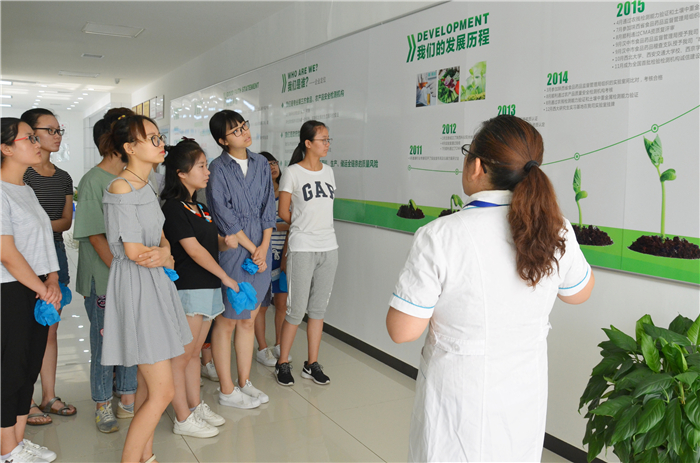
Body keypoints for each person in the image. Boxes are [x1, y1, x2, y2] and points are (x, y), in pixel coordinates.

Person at [386, 115, 595, 462]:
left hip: (458, 404)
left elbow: (401, 330)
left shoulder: (441, 235)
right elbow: (579, 293)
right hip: (523, 398)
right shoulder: (556, 229)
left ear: (477, 166)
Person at [100, 114, 192, 463]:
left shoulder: (147, 183)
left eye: (159, 136)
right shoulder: (121, 187)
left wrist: (165, 252)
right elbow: (136, 251)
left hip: (154, 281)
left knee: (149, 385)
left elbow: (161, 238)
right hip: (137, 285)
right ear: (130, 147)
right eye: (152, 138)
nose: (160, 143)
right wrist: (162, 254)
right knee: (164, 392)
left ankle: (146, 456)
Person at [161, 138, 240, 437]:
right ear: (181, 173)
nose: (207, 172)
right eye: (201, 167)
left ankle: (195, 406)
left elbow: (209, 244)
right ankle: (182, 418)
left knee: (194, 354)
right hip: (189, 289)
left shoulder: (200, 207)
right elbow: (193, 251)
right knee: (182, 357)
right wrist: (226, 277)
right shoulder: (173, 209)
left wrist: (225, 242)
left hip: (207, 288)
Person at [73, 108, 138, 433]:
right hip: (104, 278)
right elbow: (96, 236)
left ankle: (127, 396)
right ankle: (102, 403)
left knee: (130, 337)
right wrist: (122, 271)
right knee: (104, 341)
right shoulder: (93, 181)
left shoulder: (128, 179)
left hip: (130, 275)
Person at [1, 117, 61, 463]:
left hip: (37, 287)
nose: (38, 143)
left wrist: (52, 278)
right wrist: (42, 286)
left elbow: (44, 241)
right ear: (6, 148)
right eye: (30, 138)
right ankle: (6, 450)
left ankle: (18, 443)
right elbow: (6, 252)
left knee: (28, 368)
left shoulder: (25, 188)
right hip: (10, 291)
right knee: (9, 371)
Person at [206, 110, 275, 408]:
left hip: (261, 248)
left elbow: (269, 208)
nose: (244, 132)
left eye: (244, 126)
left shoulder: (261, 163)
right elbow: (224, 215)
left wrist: (264, 246)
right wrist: (252, 247)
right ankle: (227, 388)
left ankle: (245, 381)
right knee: (228, 321)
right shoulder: (217, 169)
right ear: (222, 140)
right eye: (235, 130)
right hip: (234, 250)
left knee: (248, 320)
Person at [20, 108, 77, 425]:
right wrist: (42, 227)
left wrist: (39, 226)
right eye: (50, 130)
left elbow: (66, 222)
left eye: (59, 131)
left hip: (55, 255)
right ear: (31, 134)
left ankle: (49, 396)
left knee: (49, 328)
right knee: (24, 332)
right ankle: (25, 400)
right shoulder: (20, 175)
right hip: (24, 256)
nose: (57, 136)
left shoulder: (63, 177)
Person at [275, 120, 338, 386]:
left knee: (318, 310)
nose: (327, 144)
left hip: (329, 247)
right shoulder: (292, 172)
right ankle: (282, 363)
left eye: (328, 139)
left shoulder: (329, 172)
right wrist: (303, 225)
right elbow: (283, 212)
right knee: (295, 310)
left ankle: (312, 364)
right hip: (302, 247)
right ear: (308, 143)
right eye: (323, 139)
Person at [254, 151, 290, 367]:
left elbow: (294, 225)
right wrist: (279, 225)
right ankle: (262, 348)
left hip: (283, 256)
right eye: (267, 164)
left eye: (274, 163)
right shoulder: (257, 195)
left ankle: (279, 344)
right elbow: (257, 226)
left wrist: (272, 226)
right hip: (264, 255)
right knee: (262, 305)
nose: (273, 167)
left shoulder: (287, 194)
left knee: (282, 304)